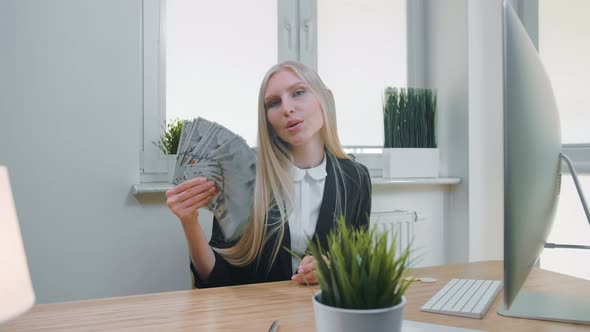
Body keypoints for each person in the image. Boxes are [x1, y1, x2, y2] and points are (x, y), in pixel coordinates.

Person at [166, 61, 372, 288]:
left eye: (299, 92)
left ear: (327, 99)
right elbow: (217, 277)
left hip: (323, 314)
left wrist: (334, 268)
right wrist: (190, 222)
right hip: (256, 315)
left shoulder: (356, 177)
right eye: (273, 103)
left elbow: (359, 260)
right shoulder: (241, 174)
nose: (287, 108)